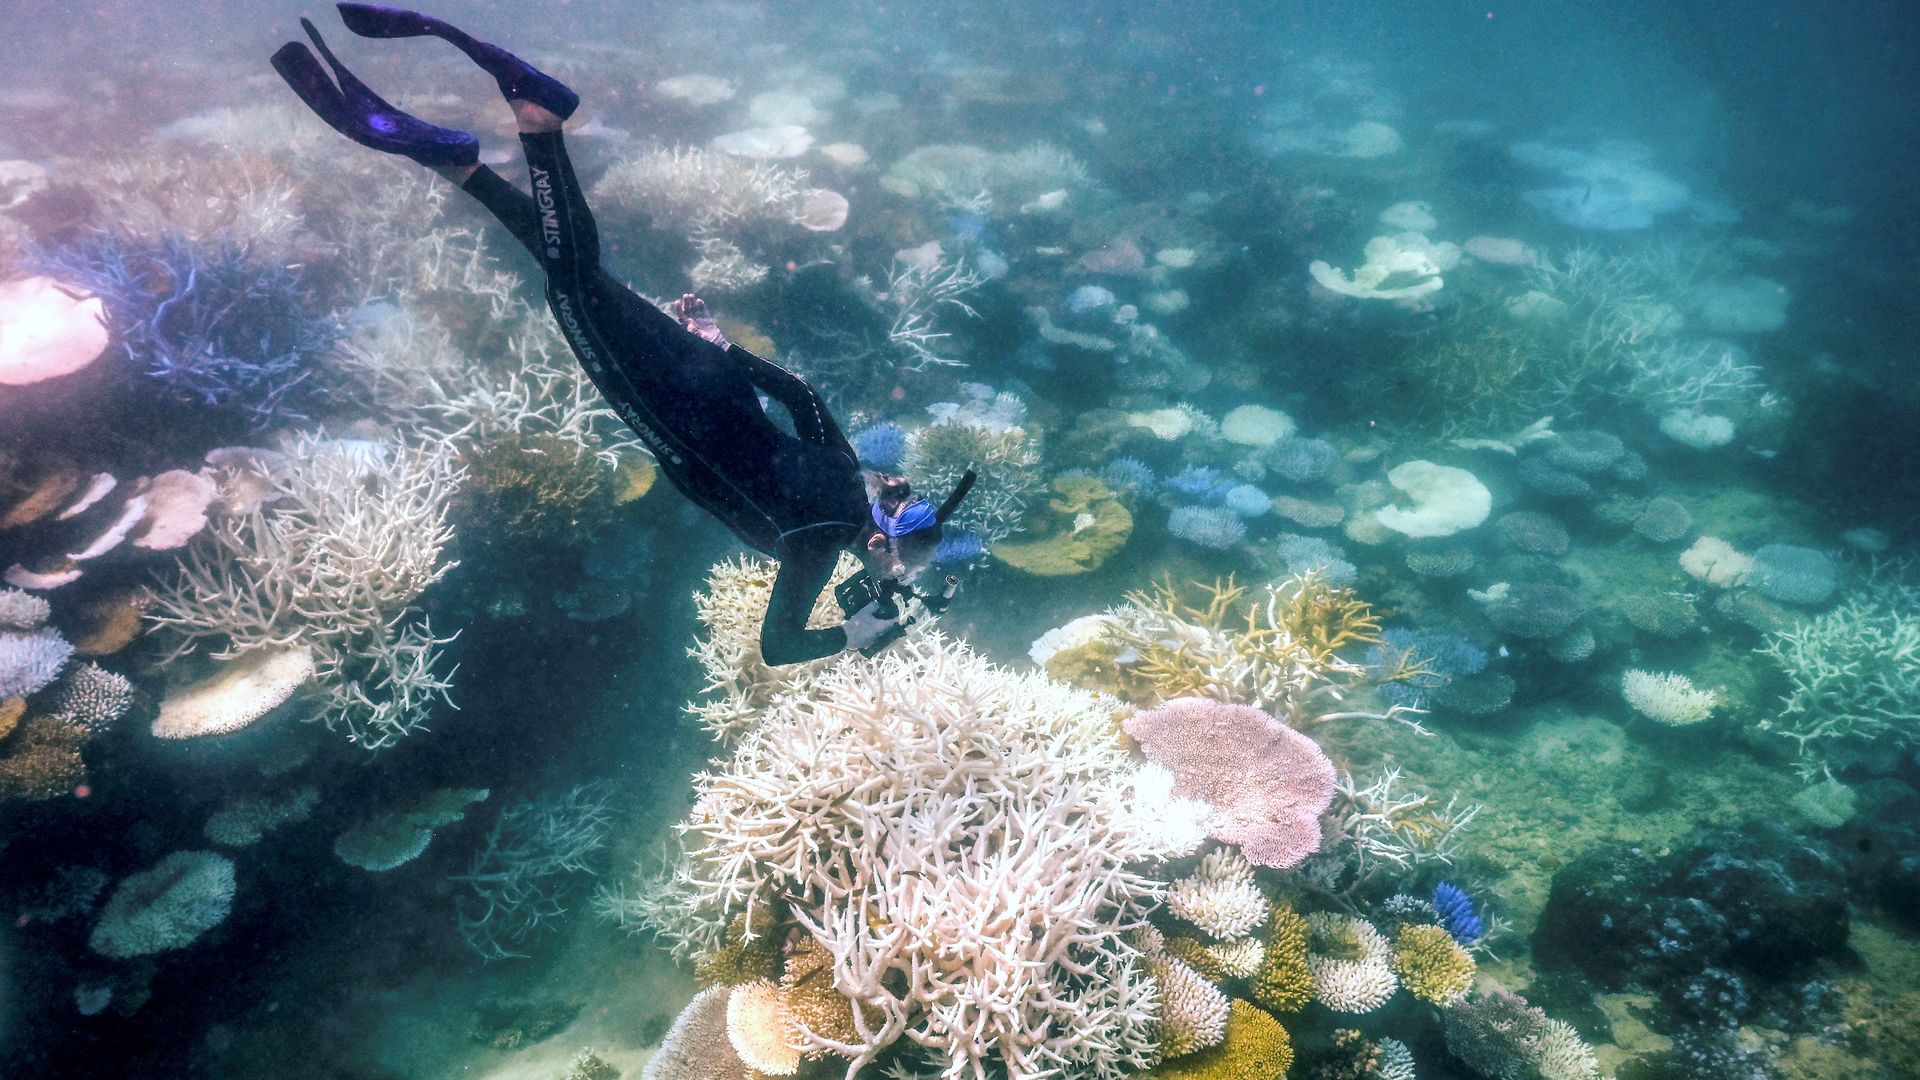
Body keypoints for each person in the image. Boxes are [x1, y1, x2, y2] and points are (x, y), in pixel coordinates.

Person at [271, 4, 971, 664]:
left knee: (582, 276)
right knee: (570, 287)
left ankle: (457, 162)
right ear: (880, 543)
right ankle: (539, 125)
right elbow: (779, 646)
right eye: (903, 569)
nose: (898, 581)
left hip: (710, 375)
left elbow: (802, 394)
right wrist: (851, 635)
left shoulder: (851, 475)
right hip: (663, 401)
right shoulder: (814, 546)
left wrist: (721, 347)